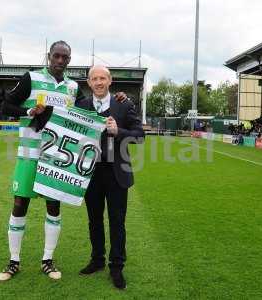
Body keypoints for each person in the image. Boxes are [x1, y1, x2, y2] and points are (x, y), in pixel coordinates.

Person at [0, 41, 127, 281]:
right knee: (19, 206)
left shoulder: (72, 87)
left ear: (69, 60)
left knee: (53, 208)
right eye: (56, 56)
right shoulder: (31, 78)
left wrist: (118, 97)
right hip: (29, 155)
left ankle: (47, 260)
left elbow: (90, 113)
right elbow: (5, 105)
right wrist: (28, 112)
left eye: (64, 57)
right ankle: (13, 261)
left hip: (55, 158)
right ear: (49, 56)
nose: (60, 60)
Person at [76, 65, 144, 290]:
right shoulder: (81, 106)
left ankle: (116, 267)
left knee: (117, 222)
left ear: (110, 80)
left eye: (102, 78)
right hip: (91, 173)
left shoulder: (124, 105)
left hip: (117, 173)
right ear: (88, 82)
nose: (98, 82)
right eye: (94, 78)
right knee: (94, 220)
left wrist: (119, 132)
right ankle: (97, 260)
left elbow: (140, 137)